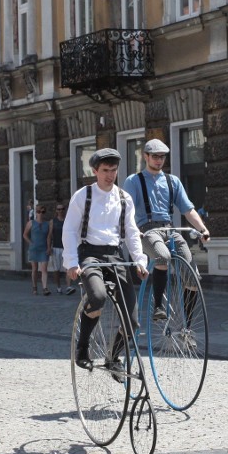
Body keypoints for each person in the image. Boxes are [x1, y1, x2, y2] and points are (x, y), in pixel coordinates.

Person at [63, 148, 149, 371]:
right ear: (95, 171)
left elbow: (131, 231)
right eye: (105, 170)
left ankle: (113, 357)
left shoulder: (124, 197)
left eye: (113, 170)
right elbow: (70, 230)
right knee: (98, 297)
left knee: (132, 321)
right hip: (89, 253)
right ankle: (82, 347)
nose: (110, 175)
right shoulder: (83, 196)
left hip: (116, 255)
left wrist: (139, 259)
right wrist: (72, 262)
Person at [122, 139, 209, 321]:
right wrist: (132, 230)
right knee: (162, 256)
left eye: (162, 157)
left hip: (170, 229)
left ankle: (187, 326)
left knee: (192, 275)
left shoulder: (172, 181)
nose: (159, 160)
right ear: (146, 156)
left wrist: (202, 229)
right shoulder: (134, 181)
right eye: (155, 156)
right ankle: (158, 307)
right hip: (146, 230)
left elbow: (188, 209)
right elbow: (126, 210)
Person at [23, 204, 52, 295]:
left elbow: (49, 237)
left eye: (42, 212)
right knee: (34, 268)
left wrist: (49, 247)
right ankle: (35, 287)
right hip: (34, 249)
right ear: (36, 212)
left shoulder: (47, 224)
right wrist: (30, 243)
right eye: (39, 212)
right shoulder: (31, 223)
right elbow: (25, 234)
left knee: (44, 269)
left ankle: (45, 288)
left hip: (43, 248)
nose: (40, 214)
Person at [48, 203, 70, 294]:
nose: (61, 211)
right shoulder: (53, 221)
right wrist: (49, 247)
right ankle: (58, 286)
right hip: (56, 247)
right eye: (59, 209)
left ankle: (68, 286)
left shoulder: (68, 220)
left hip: (67, 248)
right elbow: (49, 235)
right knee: (56, 269)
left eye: (62, 209)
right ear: (56, 211)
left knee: (68, 268)